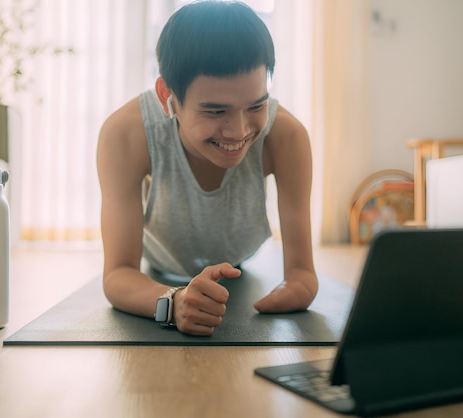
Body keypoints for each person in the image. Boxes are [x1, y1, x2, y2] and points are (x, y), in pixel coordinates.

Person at [96, 0, 318, 336]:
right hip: (162, 264)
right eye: (215, 112)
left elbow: (302, 271)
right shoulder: (126, 134)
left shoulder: (286, 137)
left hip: (239, 259)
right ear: (167, 96)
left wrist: (300, 286)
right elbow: (118, 274)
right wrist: (173, 301)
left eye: (256, 105)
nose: (239, 131)